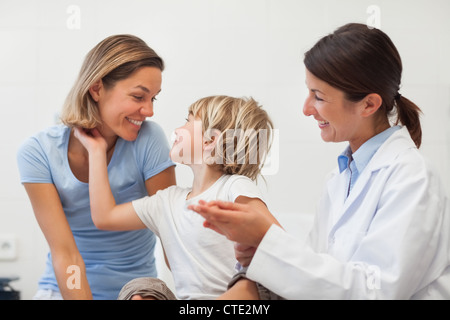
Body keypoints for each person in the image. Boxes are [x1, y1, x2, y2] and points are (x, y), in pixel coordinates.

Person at [189, 23, 450, 299]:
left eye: (319, 97)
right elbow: (319, 273)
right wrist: (260, 251)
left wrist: (269, 241)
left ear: (368, 105)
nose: (306, 108)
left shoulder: (413, 178)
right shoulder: (339, 179)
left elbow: (376, 292)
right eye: (309, 92)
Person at [16, 34, 176, 300]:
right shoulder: (38, 152)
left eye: (153, 99)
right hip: (65, 290)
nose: (148, 111)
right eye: (138, 96)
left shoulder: (150, 139)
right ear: (96, 88)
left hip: (137, 292)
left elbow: (172, 233)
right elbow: (65, 253)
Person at [74, 95, 280, 300]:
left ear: (210, 140)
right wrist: (96, 151)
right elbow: (104, 217)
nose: (177, 130)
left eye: (188, 121)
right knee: (142, 289)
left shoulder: (233, 187)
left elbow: (277, 241)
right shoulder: (166, 202)